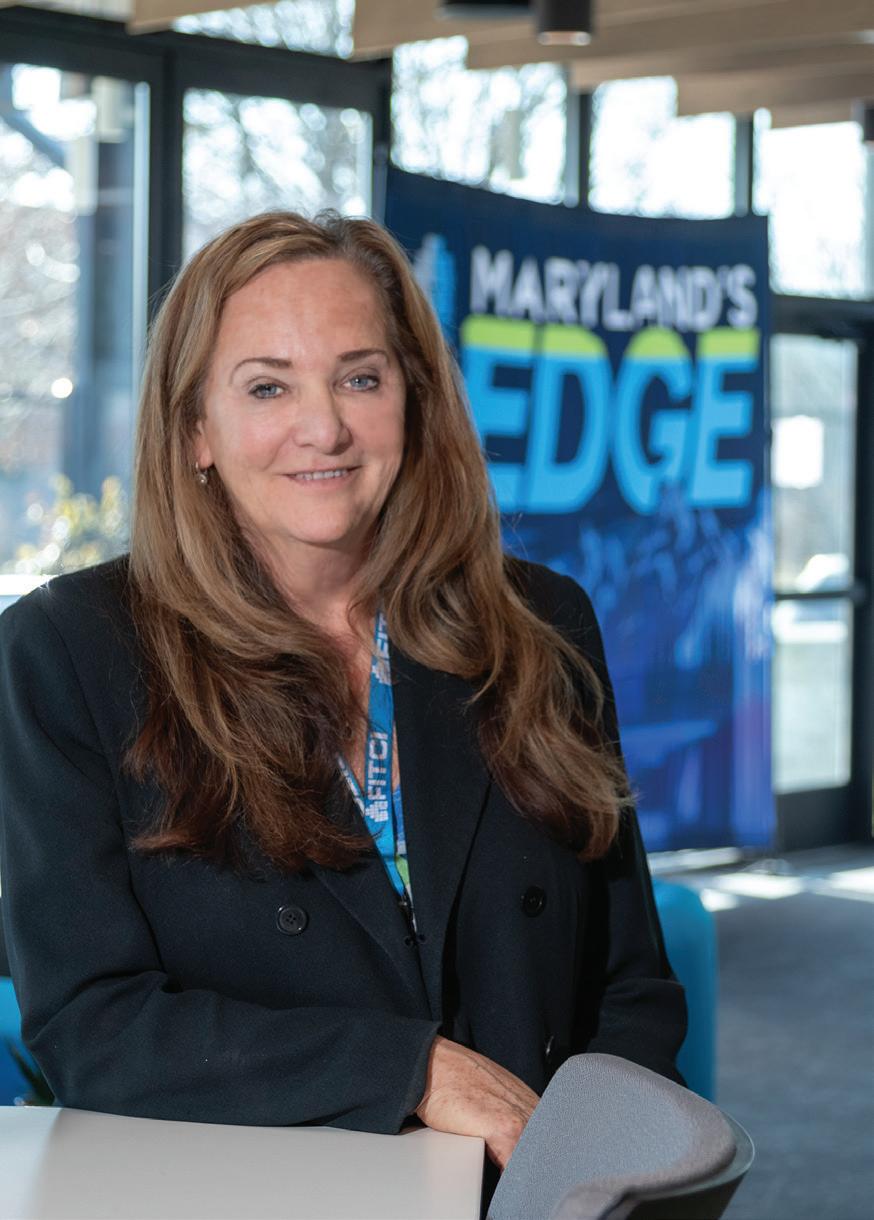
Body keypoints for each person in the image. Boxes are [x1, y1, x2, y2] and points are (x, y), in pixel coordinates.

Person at [0, 211, 685, 1202]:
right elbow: (93, 1027)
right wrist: (415, 1069)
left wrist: (590, 1181)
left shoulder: (542, 622)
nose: (323, 428)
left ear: (414, 401)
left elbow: (631, 985)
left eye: (360, 378)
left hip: (534, 1191)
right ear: (195, 428)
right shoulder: (68, 650)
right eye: (267, 386)